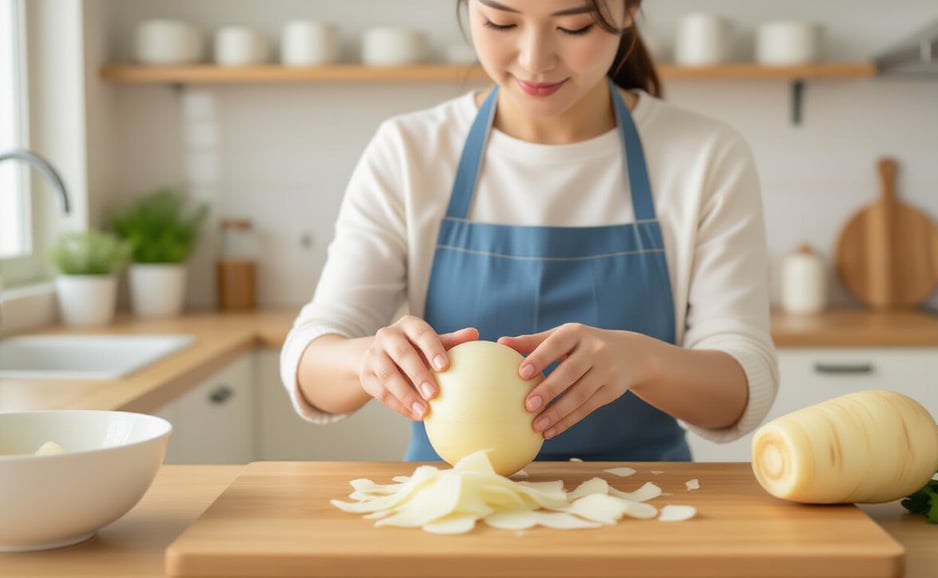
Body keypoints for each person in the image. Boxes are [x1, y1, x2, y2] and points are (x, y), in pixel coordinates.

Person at [280, 0, 778, 462]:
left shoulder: (705, 155)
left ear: (628, 10)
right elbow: (310, 362)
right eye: (502, 22)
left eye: (574, 26)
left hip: (644, 506)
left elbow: (740, 389)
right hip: (454, 508)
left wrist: (642, 360)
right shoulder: (408, 151)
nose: (535, 59)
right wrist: (367, 360)